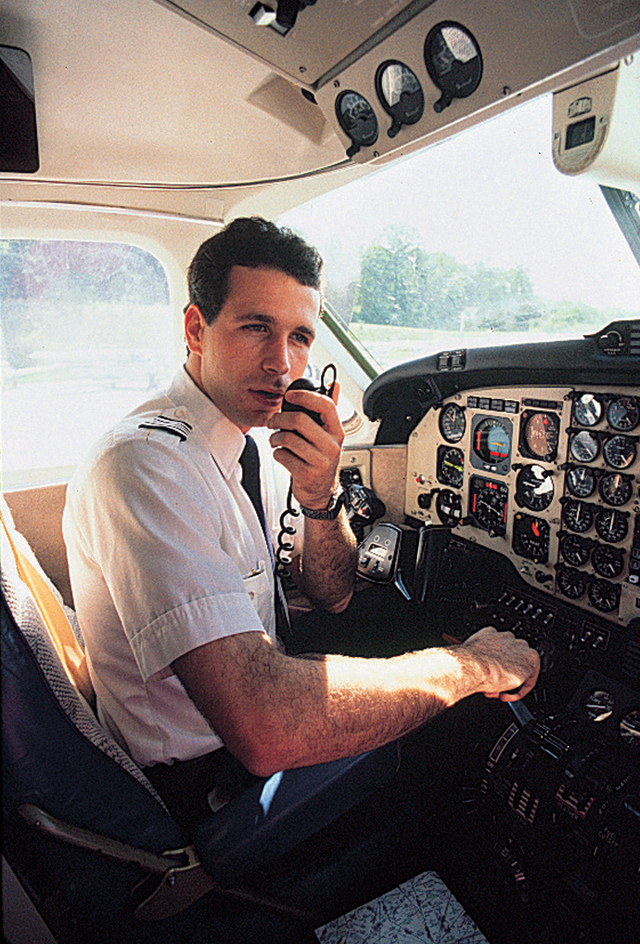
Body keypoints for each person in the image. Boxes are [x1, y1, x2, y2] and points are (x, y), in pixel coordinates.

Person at [63, 216, 539, 831]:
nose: (282, 363)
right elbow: (265, 731)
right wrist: (473, 667)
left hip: (253, 703)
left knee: (414, 636)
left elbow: (333, 595)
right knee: (469, 723)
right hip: (210, 787)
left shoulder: (245, 444)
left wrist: (319, 496)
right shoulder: (147, 466)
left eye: (300, 337)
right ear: (196, 329)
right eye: (257, 327)